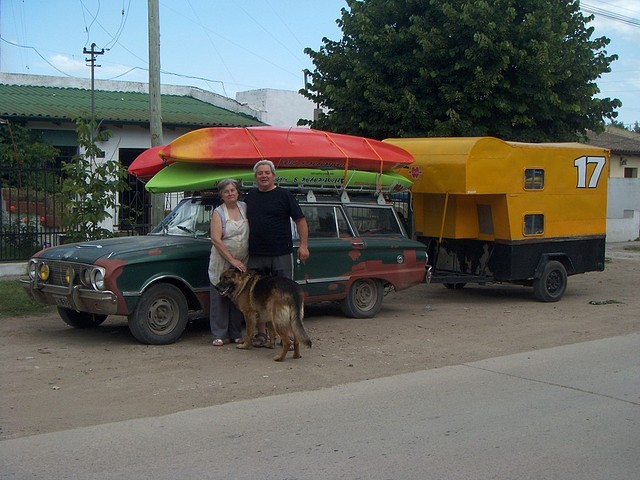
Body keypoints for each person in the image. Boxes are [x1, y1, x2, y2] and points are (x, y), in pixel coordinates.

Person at [245, 159, 309, 347]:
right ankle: (262, 334)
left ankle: (286, 335)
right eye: (260, 173)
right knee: (258, 297)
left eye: (267, 173)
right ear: (255, 177)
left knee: (284, 296)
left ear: (274, 175)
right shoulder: (250, 197)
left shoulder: (285, 195)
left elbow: (301, 221)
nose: (263, 176)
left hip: (281, 253)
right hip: (256, 253)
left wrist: (303, 245)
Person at [208, 179, 249, 346]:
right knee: (220, 296)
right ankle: (219, 334)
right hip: (222, 261)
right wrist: (232, 259)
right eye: (226, 192)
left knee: (238, 296)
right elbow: (216, 240)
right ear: (221, 195)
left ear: (237, 192)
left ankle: (235, 333)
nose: (230, 193)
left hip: (242, 261)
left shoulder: (245, 208)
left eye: (233, 190)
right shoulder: (218, 213)